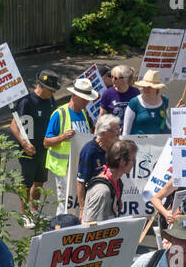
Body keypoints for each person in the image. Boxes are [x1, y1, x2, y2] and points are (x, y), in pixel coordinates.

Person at [10, 69, 61, 222]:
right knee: (26, 183)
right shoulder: (27, 101)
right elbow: (14, 125)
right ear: (41, 86)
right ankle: (24, 214)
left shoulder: (50, 100)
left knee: (39, 181)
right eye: (51, 90)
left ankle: (34, 210)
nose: (53, 93)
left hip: (44, 148)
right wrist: (24, 144)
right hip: (28, 150)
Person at [45, 77, 99, 213]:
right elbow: (46, 142)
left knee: (77, 200)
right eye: (83, 99)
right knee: (65, 202)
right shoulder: (59, 114)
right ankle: (62, 228)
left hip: (79, 166)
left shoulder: (83, 114)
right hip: (63, 167)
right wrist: (63, 137)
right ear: (74, 95)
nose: (86, 102)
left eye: (87, 99)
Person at [81, 139, 136, 223]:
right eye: (133, 159)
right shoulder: (102, 191)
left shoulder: (117, 182)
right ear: (122, 161)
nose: (135, 163)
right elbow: (89, 226)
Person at [76, 114, 121, 209]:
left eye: (119, 129)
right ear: (103, 133)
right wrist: (82, 208)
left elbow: (116, 178)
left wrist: (118, 199)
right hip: (94, 200)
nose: (119, 134)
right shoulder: (89, 150)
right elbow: (81, 182)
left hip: (111, 200)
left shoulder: (114, 148)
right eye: (115, 130)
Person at [123, 71, 171, 136]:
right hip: (137, 144)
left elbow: (168, 124)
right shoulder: (134, 102)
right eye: (144, 86)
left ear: (156, 88)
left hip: (160, 143)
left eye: (149, 87)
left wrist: (177, 112)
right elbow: (126, 131)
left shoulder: (165, 100)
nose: (146, 88)